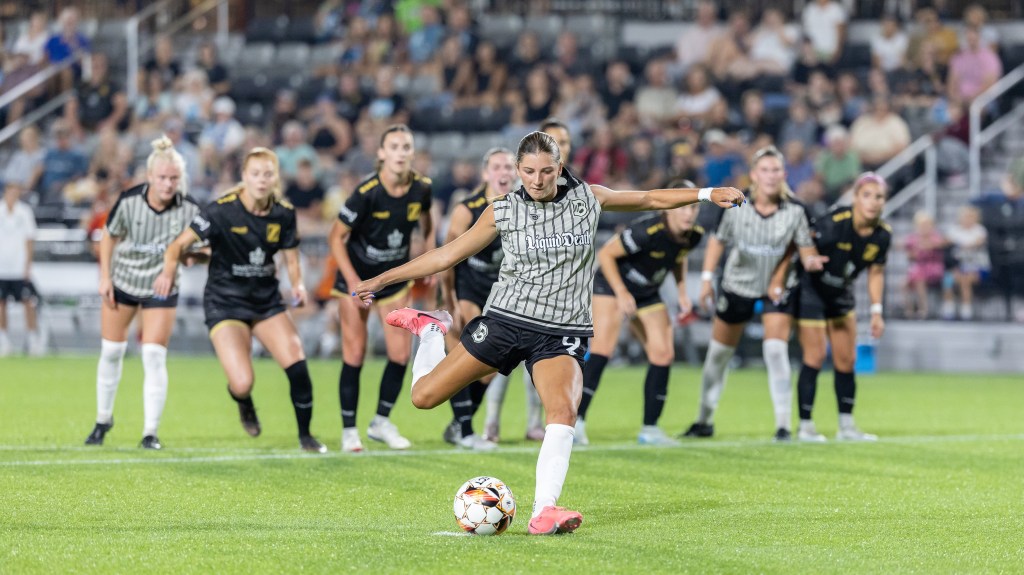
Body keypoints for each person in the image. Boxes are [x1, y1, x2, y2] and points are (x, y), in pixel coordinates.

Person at [352, 131, 744, 535]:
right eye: (527, 172)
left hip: (561, 331)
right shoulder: (502, 209)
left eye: (545, 171)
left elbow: (647, 199)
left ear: (559, 168)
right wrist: (383, 278)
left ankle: (544, 511)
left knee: (563, 411)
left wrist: (706, 193)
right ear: (518, 170)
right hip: (506, 320)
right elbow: (448, 254)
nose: (536, 180)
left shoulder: (588, 198)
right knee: (423, 398)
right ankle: (432, 331)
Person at [154, 147, 327, 453]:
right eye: (255, 174)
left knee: (297, 363)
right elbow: (176, 246)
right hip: (225, 302)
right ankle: (244, 402)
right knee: (243, 382)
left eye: (268, 174)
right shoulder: (221, 210)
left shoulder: (283, 213)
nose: (262, 180)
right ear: (245, 177)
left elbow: (291, 259)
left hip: (266, 302)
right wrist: (171, 269)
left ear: (276, 178)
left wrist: (298, 284)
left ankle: (306, 435)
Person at [682, 145, 826, 442]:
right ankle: (704, 419)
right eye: (765, 170)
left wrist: (811, 260)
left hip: (776, 289)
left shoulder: (796, 210)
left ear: (784, 174)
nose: (771, 175)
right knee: (718, 356)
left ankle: (784, 426)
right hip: (737, 286)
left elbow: (805, 247)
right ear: (754, 175)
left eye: (776, 170)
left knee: (775, 351)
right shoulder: (736, 205)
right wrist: (707, 279)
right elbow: (718, 241)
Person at [82, 136, 201, 449]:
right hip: (123, 281)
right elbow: (109, 236)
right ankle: (103, 419)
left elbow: (204, 250)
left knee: (153, 355)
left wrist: (184, 258)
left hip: (161, 286)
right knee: (111, 351)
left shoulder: (189, 209)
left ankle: (150, 432)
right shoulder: (130, 200)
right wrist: (105, 277)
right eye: (162, 177)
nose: (168, 184)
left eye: (174, 178)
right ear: (150, 177)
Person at [328, 124, 434, 452]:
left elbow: (427, 226)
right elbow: (336, 237)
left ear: (412, 152)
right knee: (355, 353)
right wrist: (353, 284)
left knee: (400, 355)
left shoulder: (422, 188)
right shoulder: (366, 193)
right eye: (395, 147)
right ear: (381, 153)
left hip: (393, 280)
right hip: (357, 278)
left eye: (406, 146)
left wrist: (430, 260)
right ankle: (349, 431)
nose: (401, 153)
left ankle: (381, 422)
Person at [578, 180, 705, 446]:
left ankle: (650, 428)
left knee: (663, 353)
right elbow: (606, 254)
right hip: (612, 285)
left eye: (692, 208)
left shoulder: (693, 235)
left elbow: (677, 259)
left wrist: (682, 293)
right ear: (669, 209)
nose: (688, 213)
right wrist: (622, 293)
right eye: (682, 208)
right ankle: (576, 423)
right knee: (603, 348)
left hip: (647, 291)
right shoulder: (648, 230)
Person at [482, 118, 573, 442]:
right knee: (500, 364)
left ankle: (534, 422)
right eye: (555, 139)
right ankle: (490, 422)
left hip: (551, 305)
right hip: (510, 297)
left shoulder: (578, 198)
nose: (561, 144)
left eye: (564, 141)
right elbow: (453, 251)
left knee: (538, 368)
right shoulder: (508, 202)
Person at [793, 173, 891, 442]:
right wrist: (809, 258)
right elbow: (803, 240)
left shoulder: (883, 235)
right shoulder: (836, 221)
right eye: (867, 195)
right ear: (856, 197)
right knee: (813, 357)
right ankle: (805, 426)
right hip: (813, 290)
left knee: (847, 360)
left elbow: (876, 273)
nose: (872, 201)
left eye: (878, 196)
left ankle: (846, 426)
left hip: (842, 293)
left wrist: (876, 311)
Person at [438, 147, 517, 451]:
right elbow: (447, 259)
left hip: (497, 292)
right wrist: (450, 302)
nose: (504, 172)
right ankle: (468, 431)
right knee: (464, 355)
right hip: (464, 287)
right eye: (497, 167)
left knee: (489, 369)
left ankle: (460, 423)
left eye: (509, 167)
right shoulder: (466, 209)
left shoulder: (523, 208)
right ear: (486, 174)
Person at [0, 180, 43, 357]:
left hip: (19, 266)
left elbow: (29, 239)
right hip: (2, 267)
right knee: (1, 304)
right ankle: (3, 340)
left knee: (28, 302)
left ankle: (33, 339)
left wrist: (27, 264)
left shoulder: (24, 212)